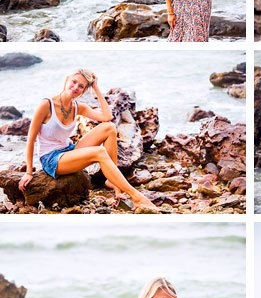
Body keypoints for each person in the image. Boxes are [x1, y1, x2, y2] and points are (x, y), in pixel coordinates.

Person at [19, 67, 158, 212]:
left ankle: (113, 182)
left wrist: (96, 88)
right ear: (66, 80)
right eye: (73, 82)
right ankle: (137, 197)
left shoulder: (77, 107)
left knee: (109, 127)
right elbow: (31, 138)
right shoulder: (46, 105)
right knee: (99, 152)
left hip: (69, 150)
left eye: (81, 86)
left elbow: (107, 117)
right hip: (51, 159)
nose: (75, 87)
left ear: (84, 91)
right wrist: (29, 172)